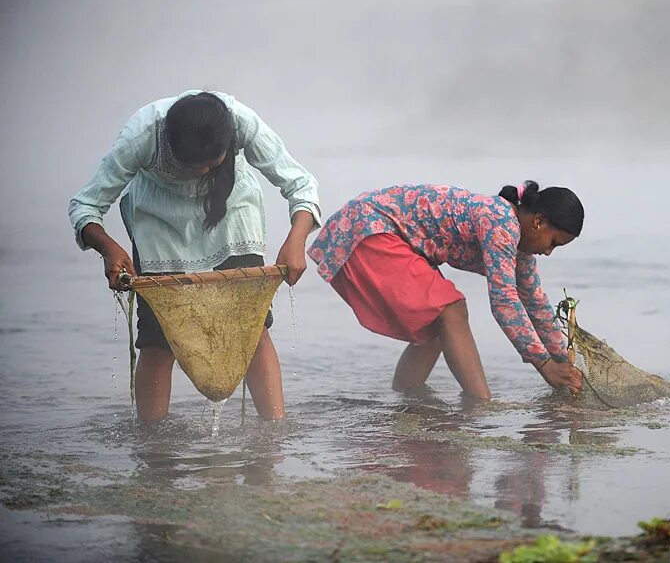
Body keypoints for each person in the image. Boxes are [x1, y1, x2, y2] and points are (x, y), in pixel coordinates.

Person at [68, 90, 320, 422]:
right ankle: (154, 450)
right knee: (159, 342)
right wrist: (107, 246)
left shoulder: (239, 122)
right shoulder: (141, 137)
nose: (202, 172)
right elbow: (85, 205)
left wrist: (296, 239)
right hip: (160, 228)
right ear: (170, 148)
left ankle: (273, 436)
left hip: (231, 219)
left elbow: (300, 183)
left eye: (211, 163)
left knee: (252, 330)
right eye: (193, 164)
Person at [307, 181, 584, 399]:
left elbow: (536, 304)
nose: (548, 252)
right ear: (538, 222)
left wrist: (563, 362)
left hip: (387, 233)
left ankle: (407, 400)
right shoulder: (501, 223)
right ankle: (481, 405)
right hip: (369, 226)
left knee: (440, 328)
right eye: (553, 242)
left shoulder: (520, 252)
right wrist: (544, 365)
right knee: (451, 311)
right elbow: (505, 302)